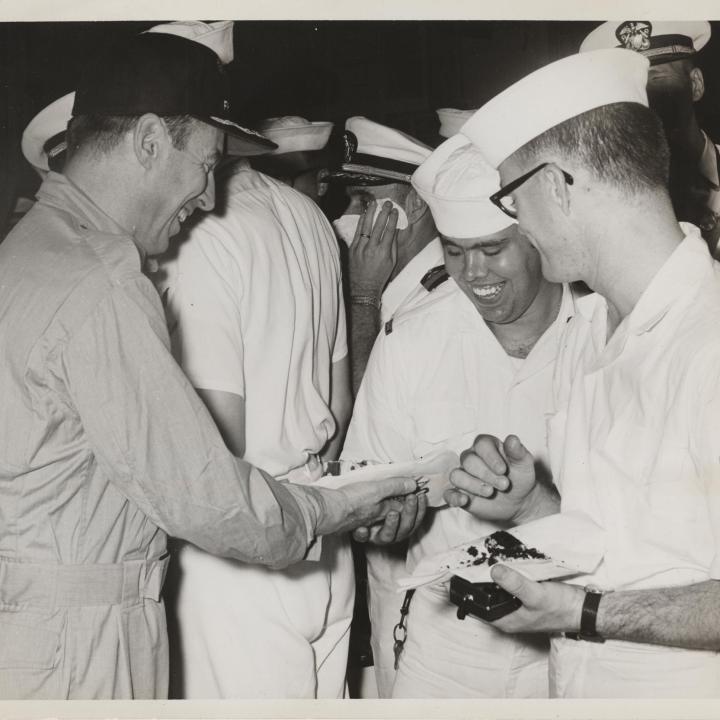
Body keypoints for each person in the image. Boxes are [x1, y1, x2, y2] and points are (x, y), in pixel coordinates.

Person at [0, 30, 420, 700]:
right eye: (205, 165)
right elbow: (204, 496)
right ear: (147, 141)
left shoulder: (28, 254)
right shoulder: (101, 284)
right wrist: (337, 508)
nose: (208, 197)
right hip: (79, 641)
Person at [447, 47, 720, 697]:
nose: (516, 224)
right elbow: (620, 540)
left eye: (512, 199)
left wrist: (583, 613)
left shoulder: (708, 341)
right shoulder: (587, 329)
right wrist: (531, 505)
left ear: (554, 184)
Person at [343, 134, 601, 697]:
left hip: (567, 642)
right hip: (440, 645)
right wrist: (385, 519)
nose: (472, 273)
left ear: (534, 236)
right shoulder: (413, 340)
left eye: (491, 248)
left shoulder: (600, 330)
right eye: (454, 251)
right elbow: (369, 480)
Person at [155, 117, 358, 698]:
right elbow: (338, 403)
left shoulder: (198, 234)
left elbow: (218, 444)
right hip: (323, 527)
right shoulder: (307, 214)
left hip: (242, 551)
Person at [580, 21, 720, 256]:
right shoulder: (605, 198)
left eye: (655, 79)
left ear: (695, 85)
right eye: (627, 86)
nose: (641, 98)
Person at [327, 117, 439, 394]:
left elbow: (367, 402)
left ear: (415, 205)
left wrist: (364, 294)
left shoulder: (443, 297)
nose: (346, 217)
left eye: (364, 201)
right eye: (349, 201)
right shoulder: (380, 281)